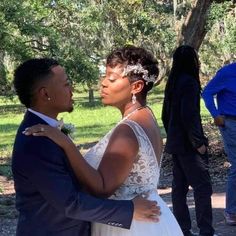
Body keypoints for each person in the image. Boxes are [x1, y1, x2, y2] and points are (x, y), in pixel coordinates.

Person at [24, 46, 183, 236]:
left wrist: (66, 144)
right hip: (148, 218)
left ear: (136, 87)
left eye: (112, 78)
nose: (103, 83)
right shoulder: (145, 116)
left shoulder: (128, 130)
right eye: (105, 76)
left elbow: (102, 188)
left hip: (130, 224)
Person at [162, 45, 215, 236]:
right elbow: (189, 116)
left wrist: (173, 135)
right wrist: (198, 143)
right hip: (189, 147)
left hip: (176, 144)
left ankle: (182, 229)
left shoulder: (173, 83)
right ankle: (206, 231)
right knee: (202, 188)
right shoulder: (190, 83)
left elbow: (165, 115)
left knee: (179, 189)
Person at [202, 62, 236, 226]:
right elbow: (207, 92)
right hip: (231, 123)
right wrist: (215, 114)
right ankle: (231, 211)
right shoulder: (227, 72)